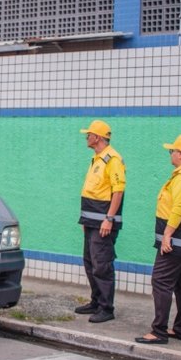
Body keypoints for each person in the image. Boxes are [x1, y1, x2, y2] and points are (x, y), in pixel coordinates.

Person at [135, 135, 181, 344]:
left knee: (161, 281)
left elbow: (179, 208)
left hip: (176, 242)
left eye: (172, 151)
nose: (171, 154)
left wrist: (167, 235)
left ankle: (159, 331)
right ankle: (180, 329)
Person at [76, 120, 125, 323]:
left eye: (89, 134)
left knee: (102, 265)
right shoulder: (97, 159)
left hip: (103, 223)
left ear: (97, 137)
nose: (86, 137)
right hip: (91, 222)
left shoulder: (112, 159)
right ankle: (96, 301)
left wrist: (109, 219)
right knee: (90, 263)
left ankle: (106, 307)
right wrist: (86, 221)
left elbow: (118, 190)